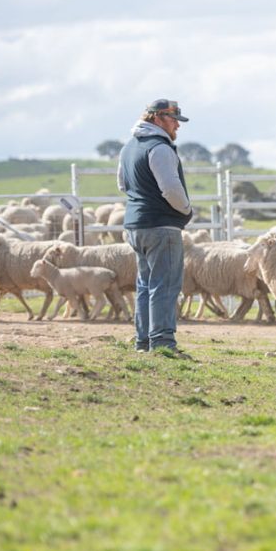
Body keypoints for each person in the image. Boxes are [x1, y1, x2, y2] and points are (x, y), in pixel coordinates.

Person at [116, 99, 195, 358]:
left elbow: (122, 185)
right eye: (173, 120)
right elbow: (171, 188)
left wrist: (142, 199)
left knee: (145, 284)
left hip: (136, 224)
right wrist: (185, 209)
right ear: (157, 118)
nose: (177, 126)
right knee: (165, 284)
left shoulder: (129, 148)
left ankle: (144, 341)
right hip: (161, 225)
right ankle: (162, 343)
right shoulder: (160, 148)